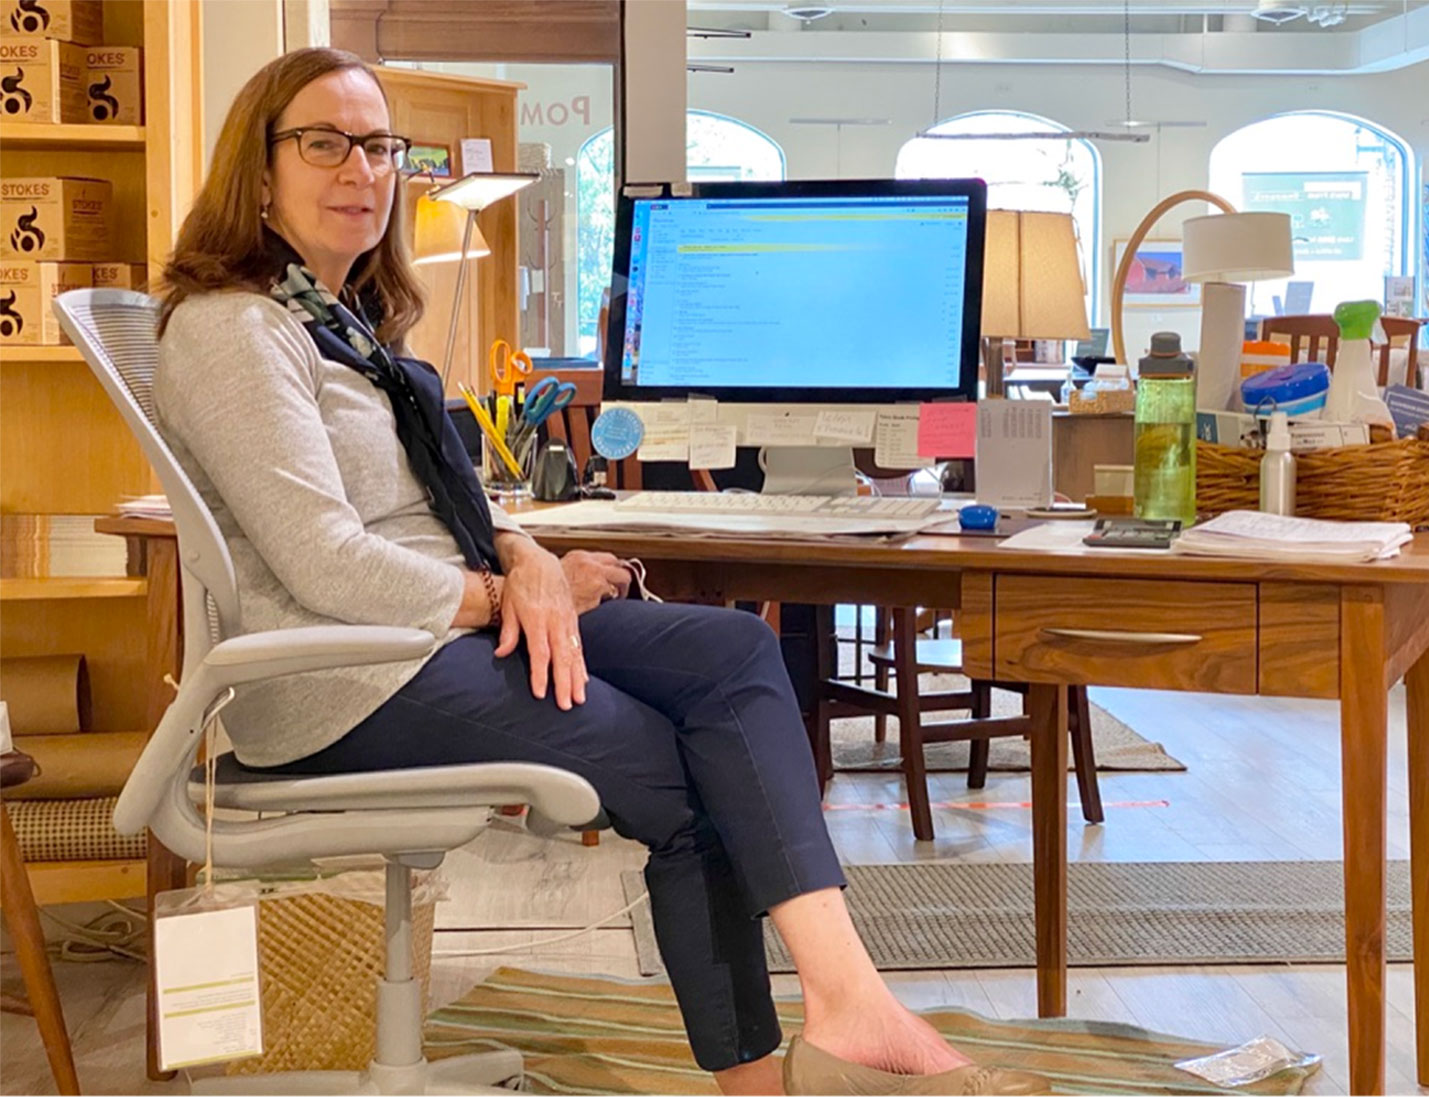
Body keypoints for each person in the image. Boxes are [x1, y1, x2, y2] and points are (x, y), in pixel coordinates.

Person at [154, 47, 1049, 1097]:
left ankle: (848, 1005)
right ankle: (786, 1068)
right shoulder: (232, 327)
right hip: (343, 675)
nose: (360, 167)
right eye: (323, 141)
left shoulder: (342, 325)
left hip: (428, 631)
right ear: (256, 172)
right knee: (679, 776)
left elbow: (447, 510)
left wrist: (530, 555)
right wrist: (503, 595)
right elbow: (323, 557)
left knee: (734, 648)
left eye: (380, 144)